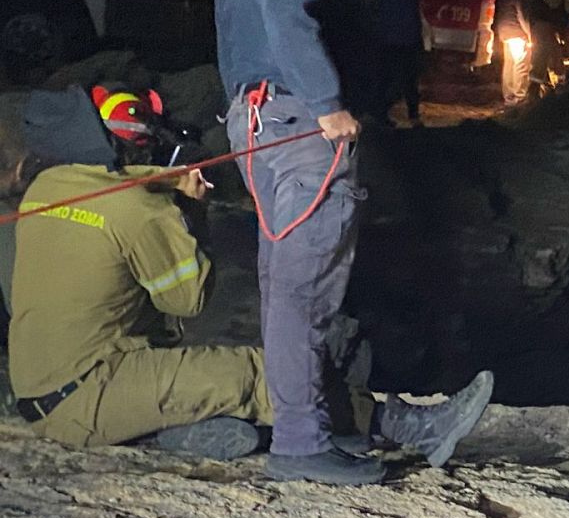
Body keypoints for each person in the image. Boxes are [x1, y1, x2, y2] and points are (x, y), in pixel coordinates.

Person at [5, 87, 494, 471]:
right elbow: (187, 301)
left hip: (41, 391)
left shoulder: (45, 189)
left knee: (197, 371)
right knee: (264, 372)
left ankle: (175, 431)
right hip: (90, 393)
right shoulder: (138, 209)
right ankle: (407, 426)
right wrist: (190, 211)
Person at [211, 0, 384, 484]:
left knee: (281, 281)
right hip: (297, 120)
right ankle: (301, 443)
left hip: (255, 118)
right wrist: (327, 103)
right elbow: (287, 7)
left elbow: (239, 21)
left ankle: (308, 427)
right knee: (304, 285)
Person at [374, 0, 425, 124]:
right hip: (408, 39)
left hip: (388, 39)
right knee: (410, 80)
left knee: (388, 79)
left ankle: (381, 114)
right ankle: (414, 116)